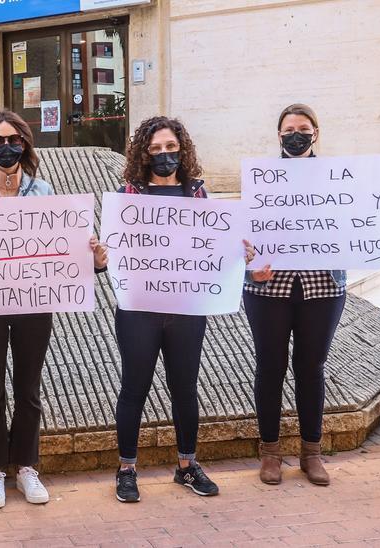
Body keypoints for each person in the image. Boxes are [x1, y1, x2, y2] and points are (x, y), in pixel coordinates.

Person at [244, 104, 380, 486]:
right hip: (268, 288)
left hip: (321, 288)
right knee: (269, 368)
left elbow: (360, 215)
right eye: (288, 129)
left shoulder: (344, 179)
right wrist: (249, 259)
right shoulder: (261, 181)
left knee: (311, 368)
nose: (295, 134)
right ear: (278, 135)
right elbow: (242, 237)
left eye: (303, 128)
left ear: (316, 133)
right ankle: (269, 451)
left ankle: (311, 452)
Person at [0, 111, 106, 509]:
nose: (5, 147)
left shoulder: (44, 191)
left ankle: (26, 466)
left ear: (25, 144)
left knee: (28, 388)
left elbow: (58, 244)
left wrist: (87, 251)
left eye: (13, 139)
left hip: (34, 302)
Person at [102, 116, 256, 502]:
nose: (164, 155)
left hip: (187, 308)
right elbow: (110, 257)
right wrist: (101, 256)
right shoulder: (127, 198)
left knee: (185, 388)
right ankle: (126, 469)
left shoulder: (199, 197)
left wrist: (242, 252)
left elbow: (218, 247)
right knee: (133, 388)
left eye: (171, 148)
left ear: (182, 150)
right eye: (156, 149)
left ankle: (187, 466)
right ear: (143, 153)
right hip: (139, 309)